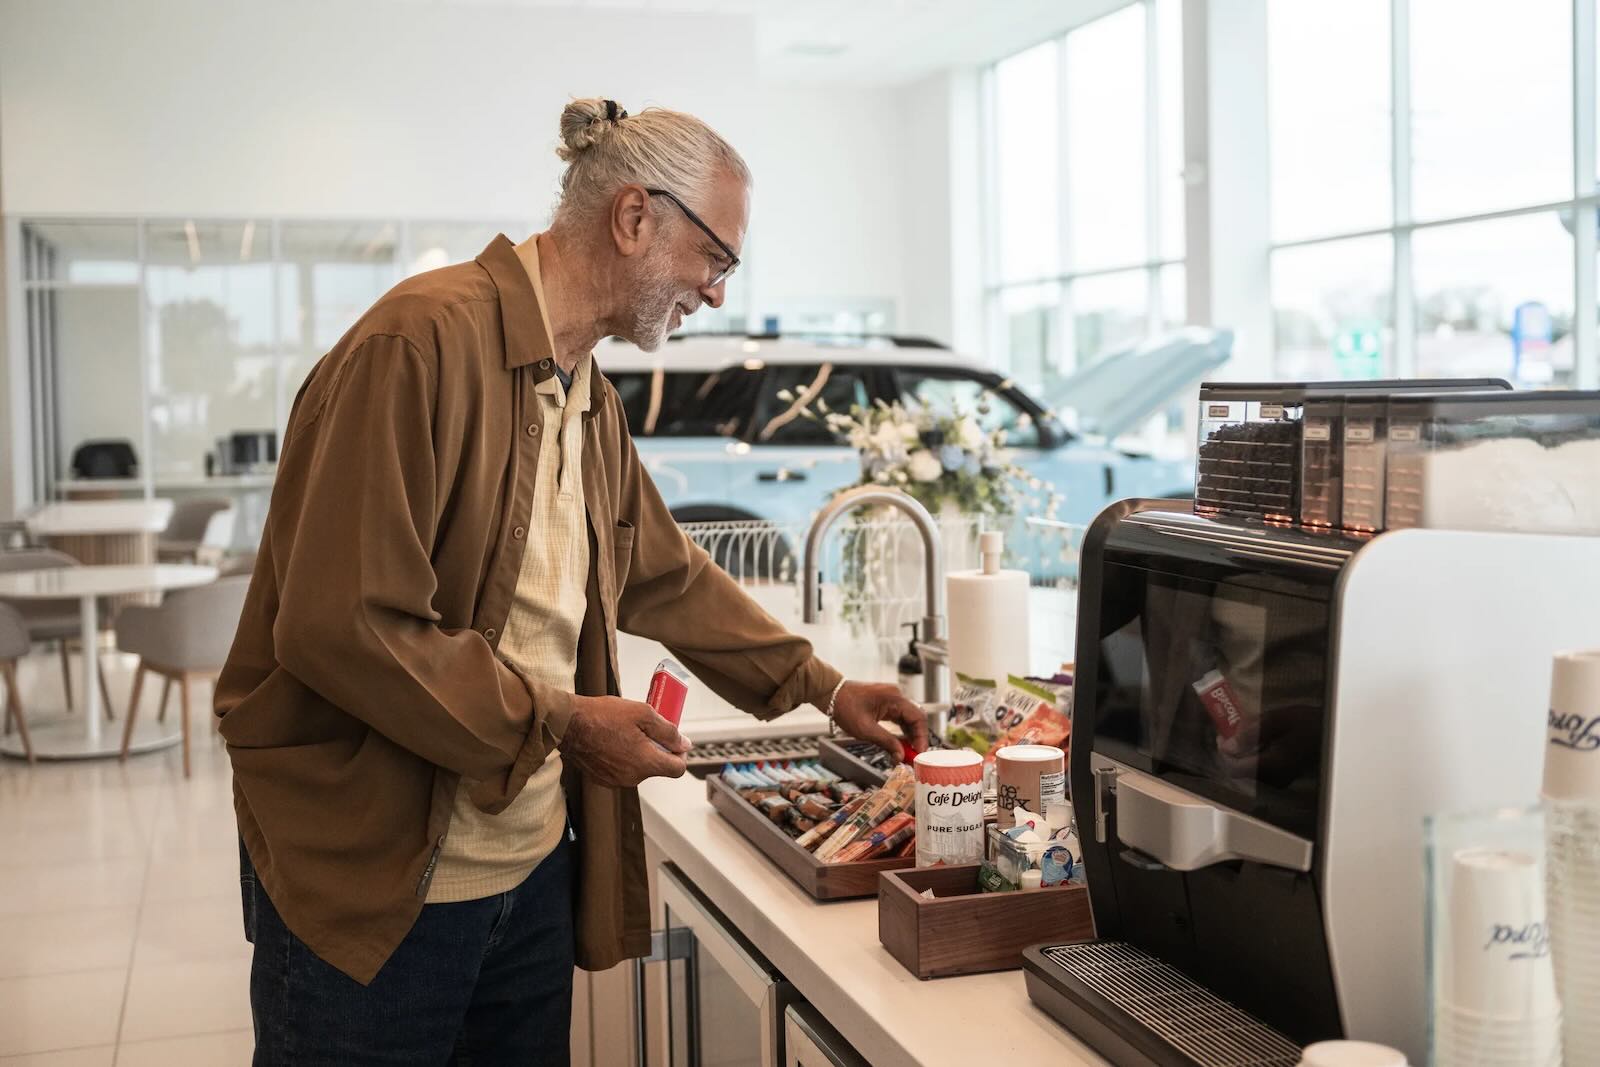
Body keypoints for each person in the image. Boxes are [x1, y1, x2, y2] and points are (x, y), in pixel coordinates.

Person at [215, 97, 928, 1066]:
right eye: (716, 257)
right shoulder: (416, 344)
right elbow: (346, 623)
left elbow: (660, 569)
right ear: (635, 216)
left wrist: (824, 684)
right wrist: (559, 720)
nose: (716, 292)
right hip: (377, 874)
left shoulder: (583, 385)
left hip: (526, 862)